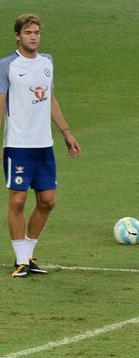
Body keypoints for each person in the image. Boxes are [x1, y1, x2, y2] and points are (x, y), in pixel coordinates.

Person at [2, 13, 80, 278]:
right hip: (17, 145)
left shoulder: (47, 62)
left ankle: (29, 254)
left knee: (47, 201)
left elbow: (51, 100)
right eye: (28, 33)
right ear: (17, 36)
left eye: (36, 32)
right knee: (18, 200)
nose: (33, 37)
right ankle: (21, 260)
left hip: (43, 145)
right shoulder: (7, 66)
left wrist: (66, 133)